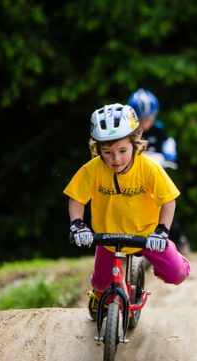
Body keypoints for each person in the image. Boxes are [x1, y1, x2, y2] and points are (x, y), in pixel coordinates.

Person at [65, 103, 190, 320]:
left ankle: (167, 263)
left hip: (146, 235)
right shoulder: (93, 169)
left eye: (123, 151)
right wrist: (77, 224)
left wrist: (161, 231)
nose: (116, 159)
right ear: (98, 149)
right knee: (100, 284)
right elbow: (76, 197)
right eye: (107, 152)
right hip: (108, 237)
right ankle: (100, 295)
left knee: (177, 273)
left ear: (136, 143)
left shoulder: (148, 167)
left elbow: (169, 200)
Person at [128, 88, 190, 253]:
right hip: (132, 179)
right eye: (140, 119)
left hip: (155, 178)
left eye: (147, 119)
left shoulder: (161, 132)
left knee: (164, 207)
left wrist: (163, 158)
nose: (144, 123)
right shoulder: (127, 133)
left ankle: (179, 239)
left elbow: (170, 154)